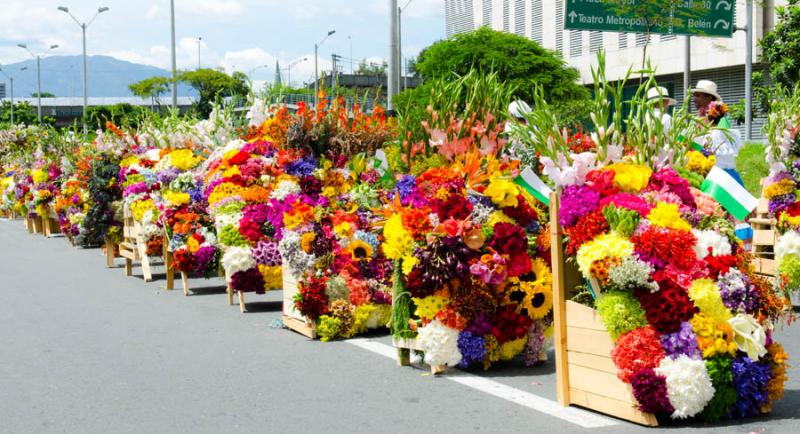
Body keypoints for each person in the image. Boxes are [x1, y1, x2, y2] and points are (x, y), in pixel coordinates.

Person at [691, 80, 744, 186]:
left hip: (718, 176)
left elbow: (723, 154)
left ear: (709, 98)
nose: (694, 99)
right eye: (694, 95)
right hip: (697, 171)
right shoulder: (694, 120)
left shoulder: (721, 122)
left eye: (698, 95)